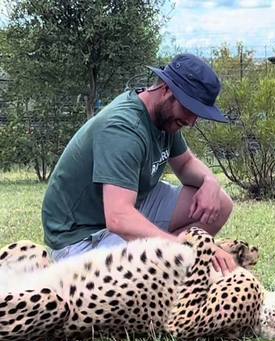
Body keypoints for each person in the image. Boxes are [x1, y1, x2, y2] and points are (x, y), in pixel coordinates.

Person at [42, 53, 235, 275]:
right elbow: (118, 217)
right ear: (166, 90)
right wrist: (180, 247)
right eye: (190, 109)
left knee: (220, 203)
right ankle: (170, 270)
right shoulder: (124, 129)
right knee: (143, 286)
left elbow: (185, 164)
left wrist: (211, 182)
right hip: (82, 235)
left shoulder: (163, 119)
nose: (192, 122)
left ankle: (173, 271)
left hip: (130, 205)